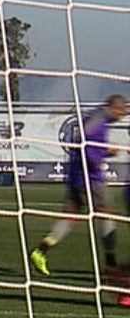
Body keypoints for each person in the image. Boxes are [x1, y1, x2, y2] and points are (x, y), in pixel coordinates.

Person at [29, 94, 128, 288]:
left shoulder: (95, 116)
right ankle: (111, 266)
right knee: (106, 214)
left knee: (71, 217)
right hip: (90, 178)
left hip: (76, 175)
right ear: (114, 108)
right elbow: (83, 141)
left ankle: (40, 251)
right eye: (121, 113)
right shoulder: (99, 121)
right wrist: (104, 153)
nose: (121, 117)